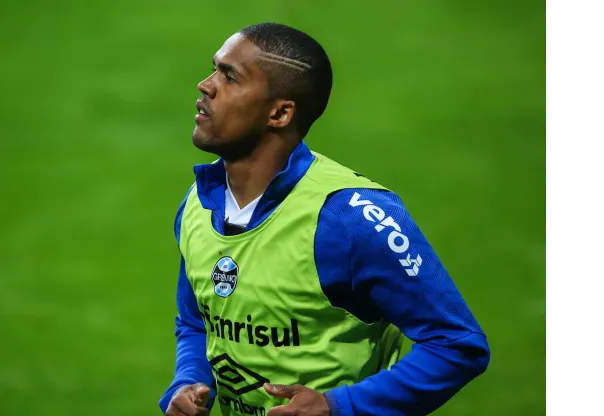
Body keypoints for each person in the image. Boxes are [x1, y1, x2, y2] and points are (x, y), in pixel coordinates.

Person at [159, 22, 490, 416]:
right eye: (214, 68)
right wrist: (189, 380)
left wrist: (338, 406)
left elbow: (456, 343)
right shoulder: (199, 202)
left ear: (280, 113)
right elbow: (198, 321)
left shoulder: (350, 220)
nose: (206, 85)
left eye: (229, 77)